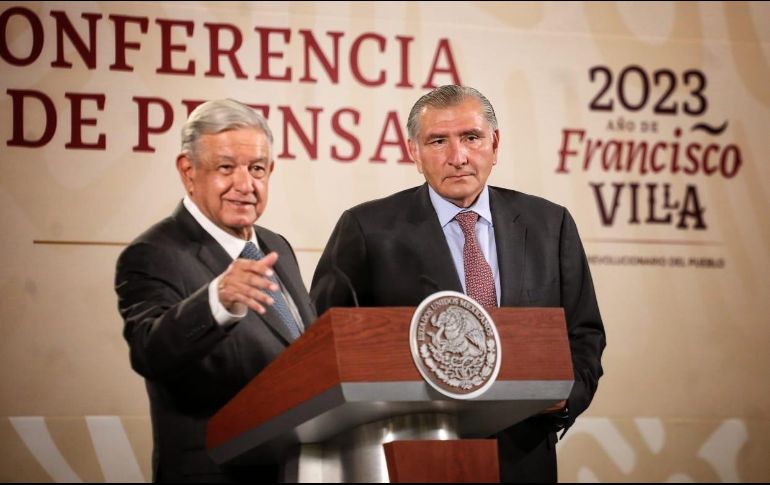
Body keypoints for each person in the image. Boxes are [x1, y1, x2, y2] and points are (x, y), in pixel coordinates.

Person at [310, 85, 605, 482]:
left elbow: (584, 332)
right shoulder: (367, 230)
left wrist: (564, 397)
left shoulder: (549, 225)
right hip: (413, 456)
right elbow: (324, 344)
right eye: (438, 141)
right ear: (414, 151)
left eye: (471, 137)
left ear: (495, 144)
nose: (458, 157)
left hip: (525, 456)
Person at [115, 99, 316, 482]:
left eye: (257, 169)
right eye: (226, 168)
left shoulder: (277, 247)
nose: (245, 185)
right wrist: (217, 301)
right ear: (188, 171)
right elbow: (150, 352)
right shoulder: (153, 254)